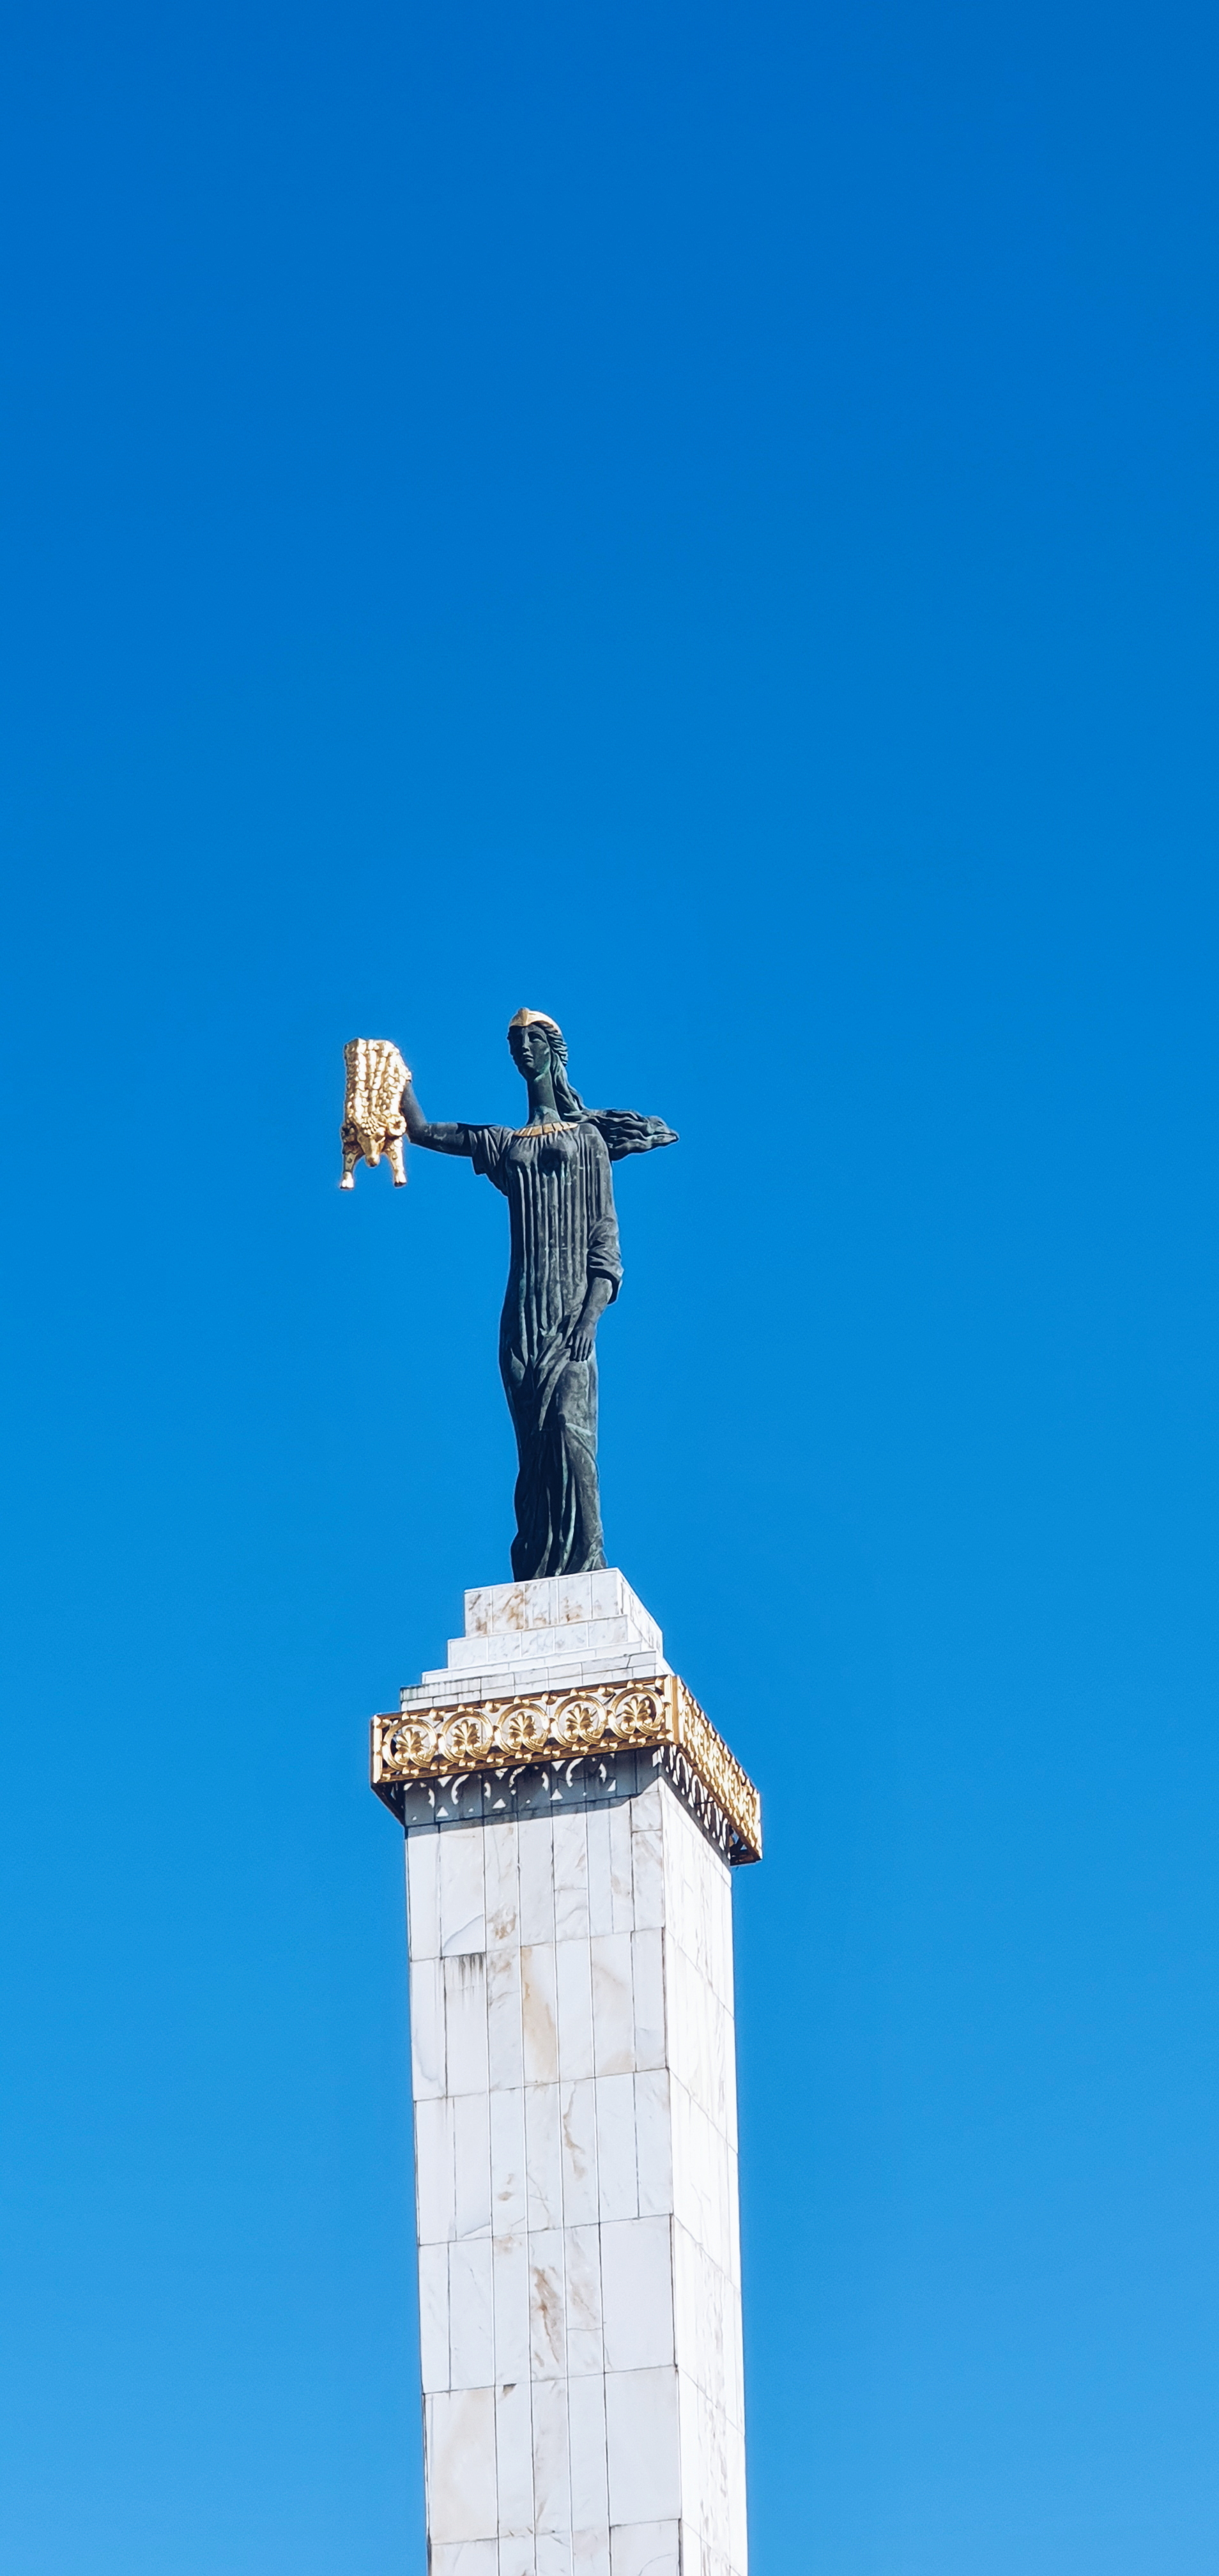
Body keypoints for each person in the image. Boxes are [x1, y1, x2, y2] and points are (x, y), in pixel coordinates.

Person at [401, 1008, 676, 1578]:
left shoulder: (588, 1141)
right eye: (513, 1043)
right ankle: (537, 1568)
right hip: (522, 1313)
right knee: (532, 1449)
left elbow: (605, 1237)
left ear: (554, 1050)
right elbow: (426, 1133)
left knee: (571, 1437)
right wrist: (392, 1077)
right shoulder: (506, 1144)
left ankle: (587, 1560)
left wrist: (591, 1316)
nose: (522, 1049)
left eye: (531, 1039)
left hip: (573, 1310)